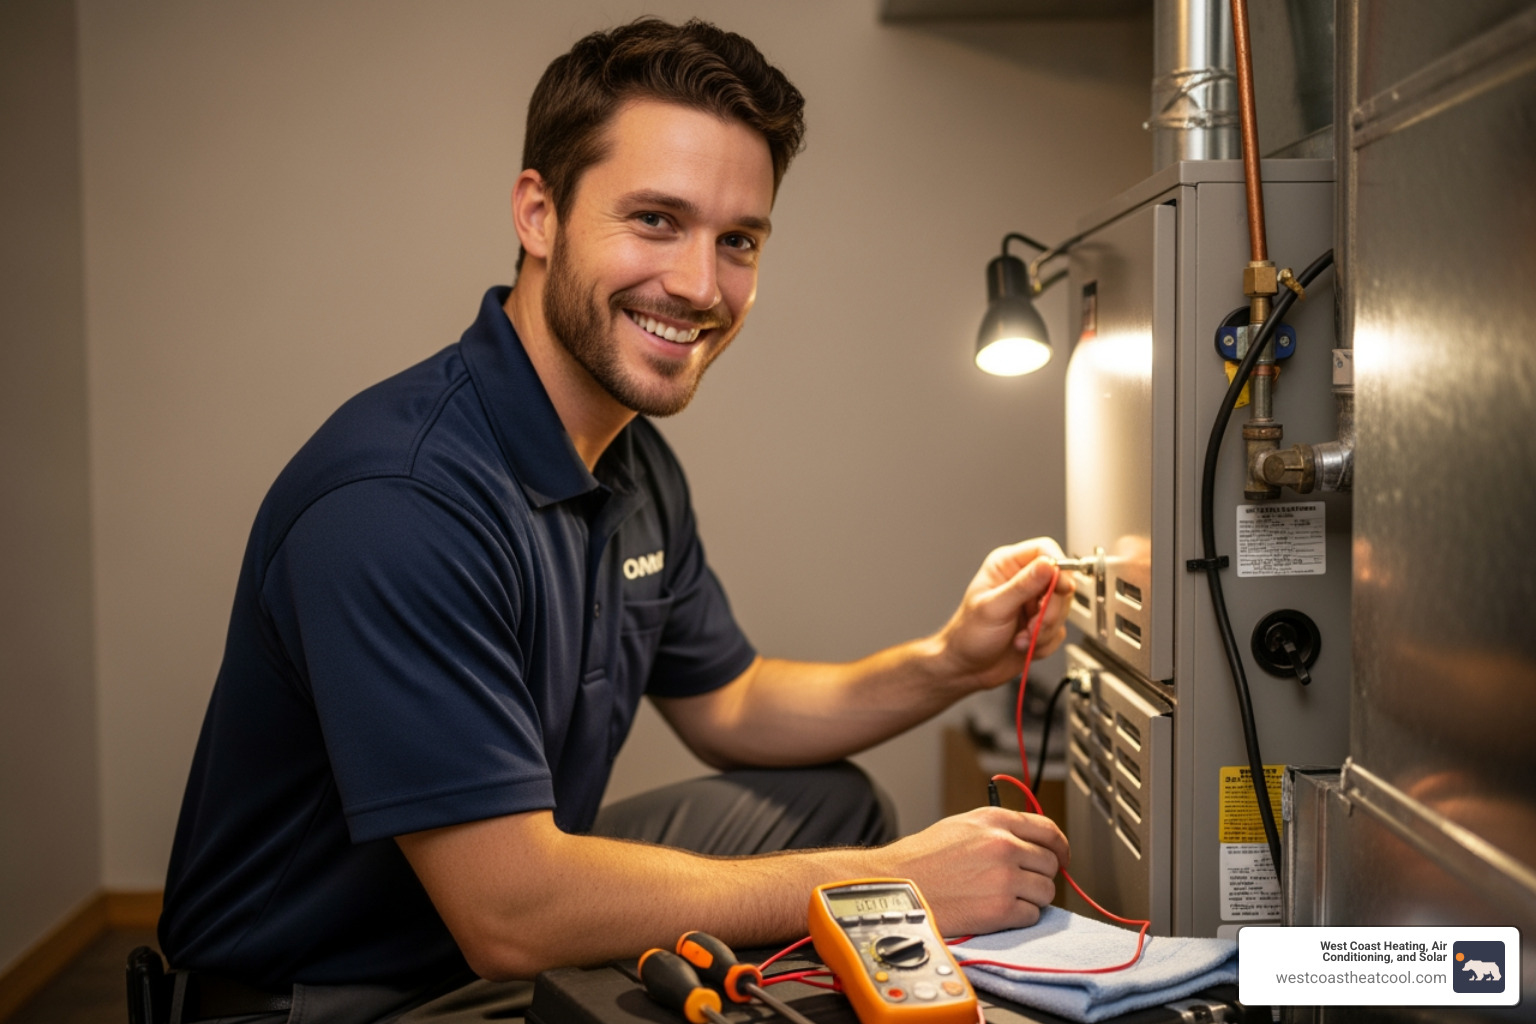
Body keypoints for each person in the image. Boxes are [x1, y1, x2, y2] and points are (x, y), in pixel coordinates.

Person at [158, 17, 1074, 1024]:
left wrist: (952, 660)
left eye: (738, 241)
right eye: (654, 220)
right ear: (538, 213)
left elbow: (730, 703)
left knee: (831, 807)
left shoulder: (631, 458)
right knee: (844, 868)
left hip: (465, 935)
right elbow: (511, 910)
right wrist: (892, 882)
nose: (696, 285)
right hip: (325, 997)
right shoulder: (400, 500)